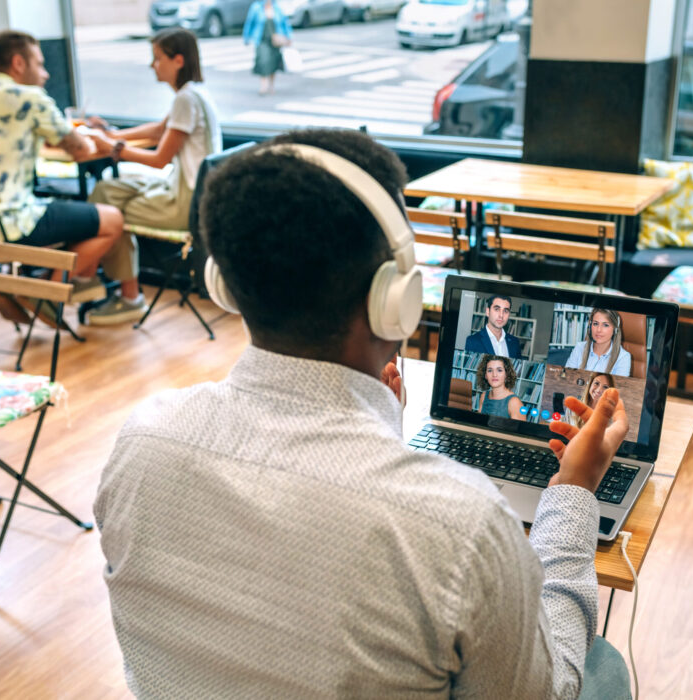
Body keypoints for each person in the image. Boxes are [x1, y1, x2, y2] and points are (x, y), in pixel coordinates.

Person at [94, 128, 632, 699]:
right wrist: (575, 489)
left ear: (225, 284)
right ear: (394, 300)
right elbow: (545, 692)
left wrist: (378, 435)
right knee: (602, 663)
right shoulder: (462, 524)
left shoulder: (142, 442)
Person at [0, 29, 126, 318]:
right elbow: (80, 150)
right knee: (112, 219)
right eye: (39, 64)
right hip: (6, 226)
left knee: (69, 216)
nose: (45, 74)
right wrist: (96, 136)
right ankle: (45, 291)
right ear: (18, 63)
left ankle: (17, 285)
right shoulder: (30, 98)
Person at [86, 28, 222, 326]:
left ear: (178, 60)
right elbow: (160, 131)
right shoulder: (195, 93)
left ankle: (123, 294)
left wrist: (114, 148)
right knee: (107, 191)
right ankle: (92, 277)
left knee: (109, 212)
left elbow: (160, 160)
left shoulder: (185, 100)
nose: (152, 65)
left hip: (183, 204)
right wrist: (112, 136)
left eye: (158, 58)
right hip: (188, 192)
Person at [243, 0, 292, 96]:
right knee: (263, 61)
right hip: (261, 40)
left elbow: (284, 23)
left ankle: (271, 85)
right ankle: (263, 85)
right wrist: (246, 37)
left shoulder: (277, 8)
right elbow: (250, 23)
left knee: (273, 62)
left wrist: (288, 37)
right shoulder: (256, 7)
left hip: (275, 40)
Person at [565, 307, 632, 377]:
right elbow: (567, 377)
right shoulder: (579, 348)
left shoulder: (623, 357)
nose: (599, 330)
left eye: (605, 325)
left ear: (615, 330)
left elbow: (618, 384)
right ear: (590, 326)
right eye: (595, 324)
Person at [464, 294, 521, 358]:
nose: (501, 315)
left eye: (505, 311)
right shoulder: (472, 341)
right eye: (497, 309)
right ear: (488, 312)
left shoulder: (515, 342)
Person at [475, 354, 524, 420]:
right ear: (485, 375)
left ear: (506, 374)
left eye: (499, 370)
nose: (494, 375)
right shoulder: (484, 396)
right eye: (490, 370)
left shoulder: (514, 402)